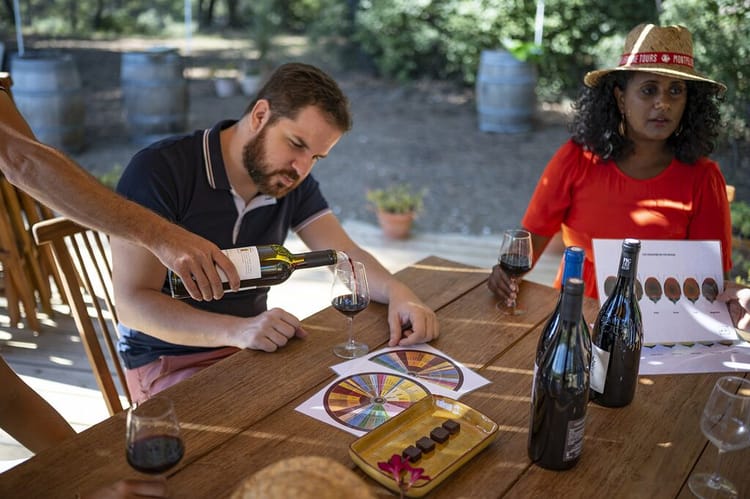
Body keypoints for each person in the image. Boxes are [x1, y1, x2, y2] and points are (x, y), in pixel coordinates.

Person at [111, 62, 440, 403]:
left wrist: (401, 293)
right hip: (169, 362)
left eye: (317, 157)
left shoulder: (287, 181)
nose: (302, 168)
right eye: (296, 144)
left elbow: (345, 255)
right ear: (260, 115)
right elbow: (132, 304)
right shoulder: (160, 170)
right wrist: (237, 331)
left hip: (251, 350)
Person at [488, 24, 733, 306]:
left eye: (675, 91)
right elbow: (530, 242)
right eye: (649, 90)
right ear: (620, 98)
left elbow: (712, 280)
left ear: (688, 102)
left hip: (662, 324)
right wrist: (505, 276)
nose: (663, 103)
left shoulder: (703, 177)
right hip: (577, 311)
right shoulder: (577, 159)